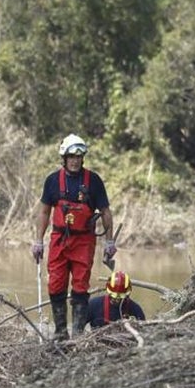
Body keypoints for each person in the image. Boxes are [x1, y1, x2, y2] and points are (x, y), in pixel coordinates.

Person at [32, 133, 116, 340]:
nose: (75, 160)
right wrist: (38, 241)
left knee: (80, 285)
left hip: (84, 242)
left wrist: (110, 242)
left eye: (79, 157)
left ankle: (78, 335)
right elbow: (44, 212)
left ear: (83, 158)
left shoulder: (93, 181)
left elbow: (105, 212)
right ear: (64, 157)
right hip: (59, 241)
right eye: (71, 156)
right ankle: (60, 333)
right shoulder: (52, 181)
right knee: (56, 284)